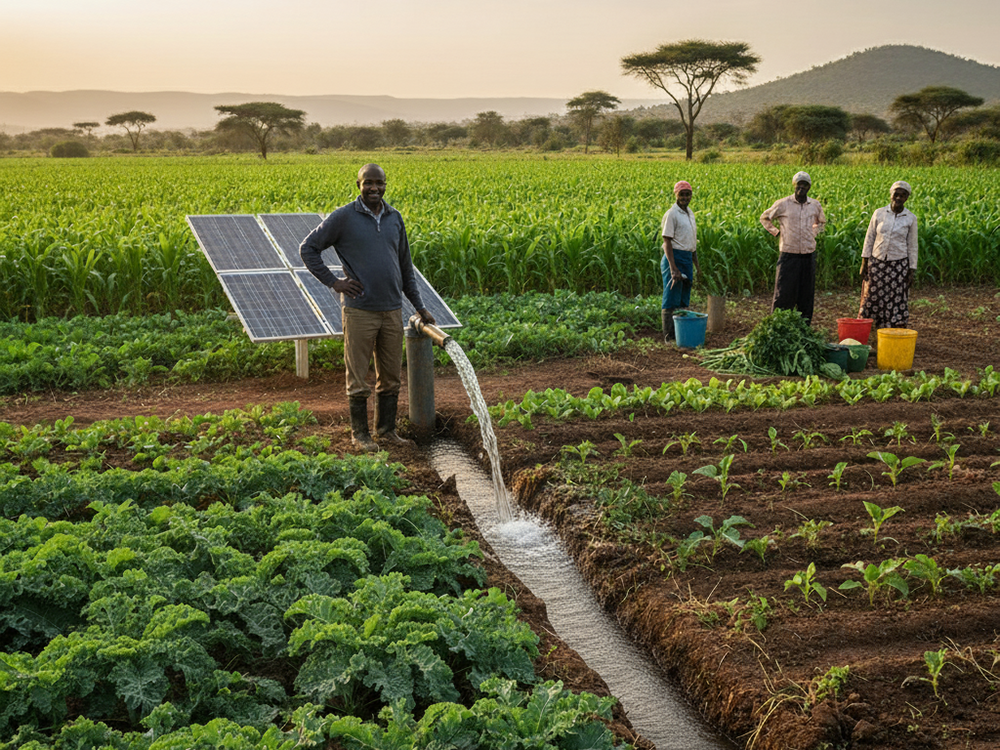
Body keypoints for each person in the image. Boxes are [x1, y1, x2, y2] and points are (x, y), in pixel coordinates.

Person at [300, 163, 436, 452]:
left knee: (391, 376)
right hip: (360, 310)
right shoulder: (343, 218)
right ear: (358, 185)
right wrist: (334, 282)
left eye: (380, 183)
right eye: (368, 183)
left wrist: (419, 306)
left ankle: (386, 431)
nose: (375, 188)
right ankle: (360, 435)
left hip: (391, 309)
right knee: (358, 376)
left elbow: (405, 267)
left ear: (386, 184)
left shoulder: (394, 218)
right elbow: (308, 248)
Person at [760, 171, 827, 324]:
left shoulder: (815, 205)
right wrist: (776, 232)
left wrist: (814, 232)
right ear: (794, 186)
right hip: (788, 255)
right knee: (783, 292)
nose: (801, 188)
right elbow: (764, 218)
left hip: (808, 254)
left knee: (806, 293)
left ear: (809, 187)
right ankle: (778, 325)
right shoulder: (783, 204)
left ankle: (803, 327)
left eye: (805, 185)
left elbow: (822, 222)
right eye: (799, 185)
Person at [858, 180, 918, 334]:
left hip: (898, 265)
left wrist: (911, 270)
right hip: (877, 262)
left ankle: (891, 328)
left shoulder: (910, 218)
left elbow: (912, 245)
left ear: (907, 198)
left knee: (895, 296)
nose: (898, 198)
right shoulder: (879, 213)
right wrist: (864, 262)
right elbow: (869, 238)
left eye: (902, 195)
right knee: (872, 294)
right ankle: (871, 326)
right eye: (896, 194)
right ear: (890, 195)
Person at [660, 180, 700, 341]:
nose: (685, 197)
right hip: (674, 257)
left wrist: (697, 265)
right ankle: (669, 337)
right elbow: (666, 242)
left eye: (687, 194)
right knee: (671, 297)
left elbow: (692, 242)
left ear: (691, 195)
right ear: (676, 195)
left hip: (687, 258)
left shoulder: (690, 213)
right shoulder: (672, 214)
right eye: (681, 194)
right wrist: (673, 268)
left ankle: (681, 334)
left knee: (684, 298)